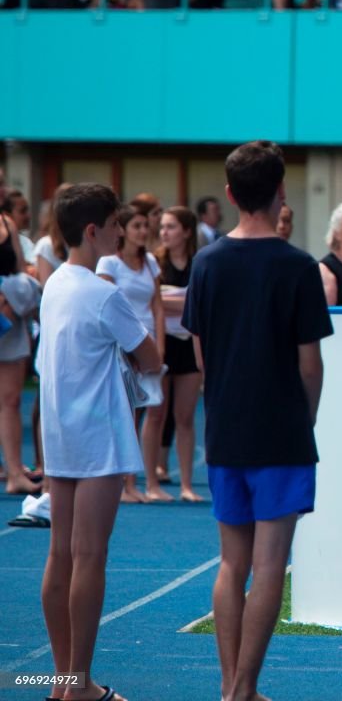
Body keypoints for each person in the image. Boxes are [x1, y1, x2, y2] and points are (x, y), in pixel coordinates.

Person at [182, 141, 333, 701]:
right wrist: (305, 420)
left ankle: (229, 685)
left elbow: (200, 352)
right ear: (281, 192)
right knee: (271, 564)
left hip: (226, 428)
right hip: (281, 431)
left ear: (229, 194)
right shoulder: (297, 267)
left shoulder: (206, 261)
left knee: (232, 561)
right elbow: (309, 365)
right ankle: (245, 686)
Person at [38, 183, 161, 701]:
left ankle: (64, 680)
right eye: (115, 224)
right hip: (99, 440)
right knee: (89, 557)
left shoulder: (56, 284)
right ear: (93, 231)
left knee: (61, 555)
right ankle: (79, 683)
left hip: (60, 434)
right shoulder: (101, 291)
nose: (122, 231)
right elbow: (151, 357)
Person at [96, 204, 164, 504]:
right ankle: (123, 483)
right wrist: (129, 347)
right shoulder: (109, 264)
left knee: (153, 410)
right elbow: (108, 303)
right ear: (122, 229)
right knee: (126, 414)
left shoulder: (150, 262)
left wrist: (158, 345)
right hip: (124, 344)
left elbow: (158, 307)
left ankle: (142, 482)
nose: (143, 231)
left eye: (144, 225)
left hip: (147, 342)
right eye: (136, 225)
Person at [147, 206, 204, 502]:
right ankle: (150, 481)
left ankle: (186, 484)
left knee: (185, 416)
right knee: (156, 413)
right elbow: (149, 300)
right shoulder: (154, 263)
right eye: (163, 227)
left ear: (186, 231)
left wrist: (167, 300)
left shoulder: (199, 264)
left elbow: (202, 304)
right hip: (162, 342)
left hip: (187, 343)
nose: (164, 232)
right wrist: (179, 301)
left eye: (171, 227)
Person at [0, 189, 34, 495]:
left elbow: (21, 271)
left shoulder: (7, 224)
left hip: (8, 320)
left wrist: (11, 296)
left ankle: (14, 472)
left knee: (11, 400)